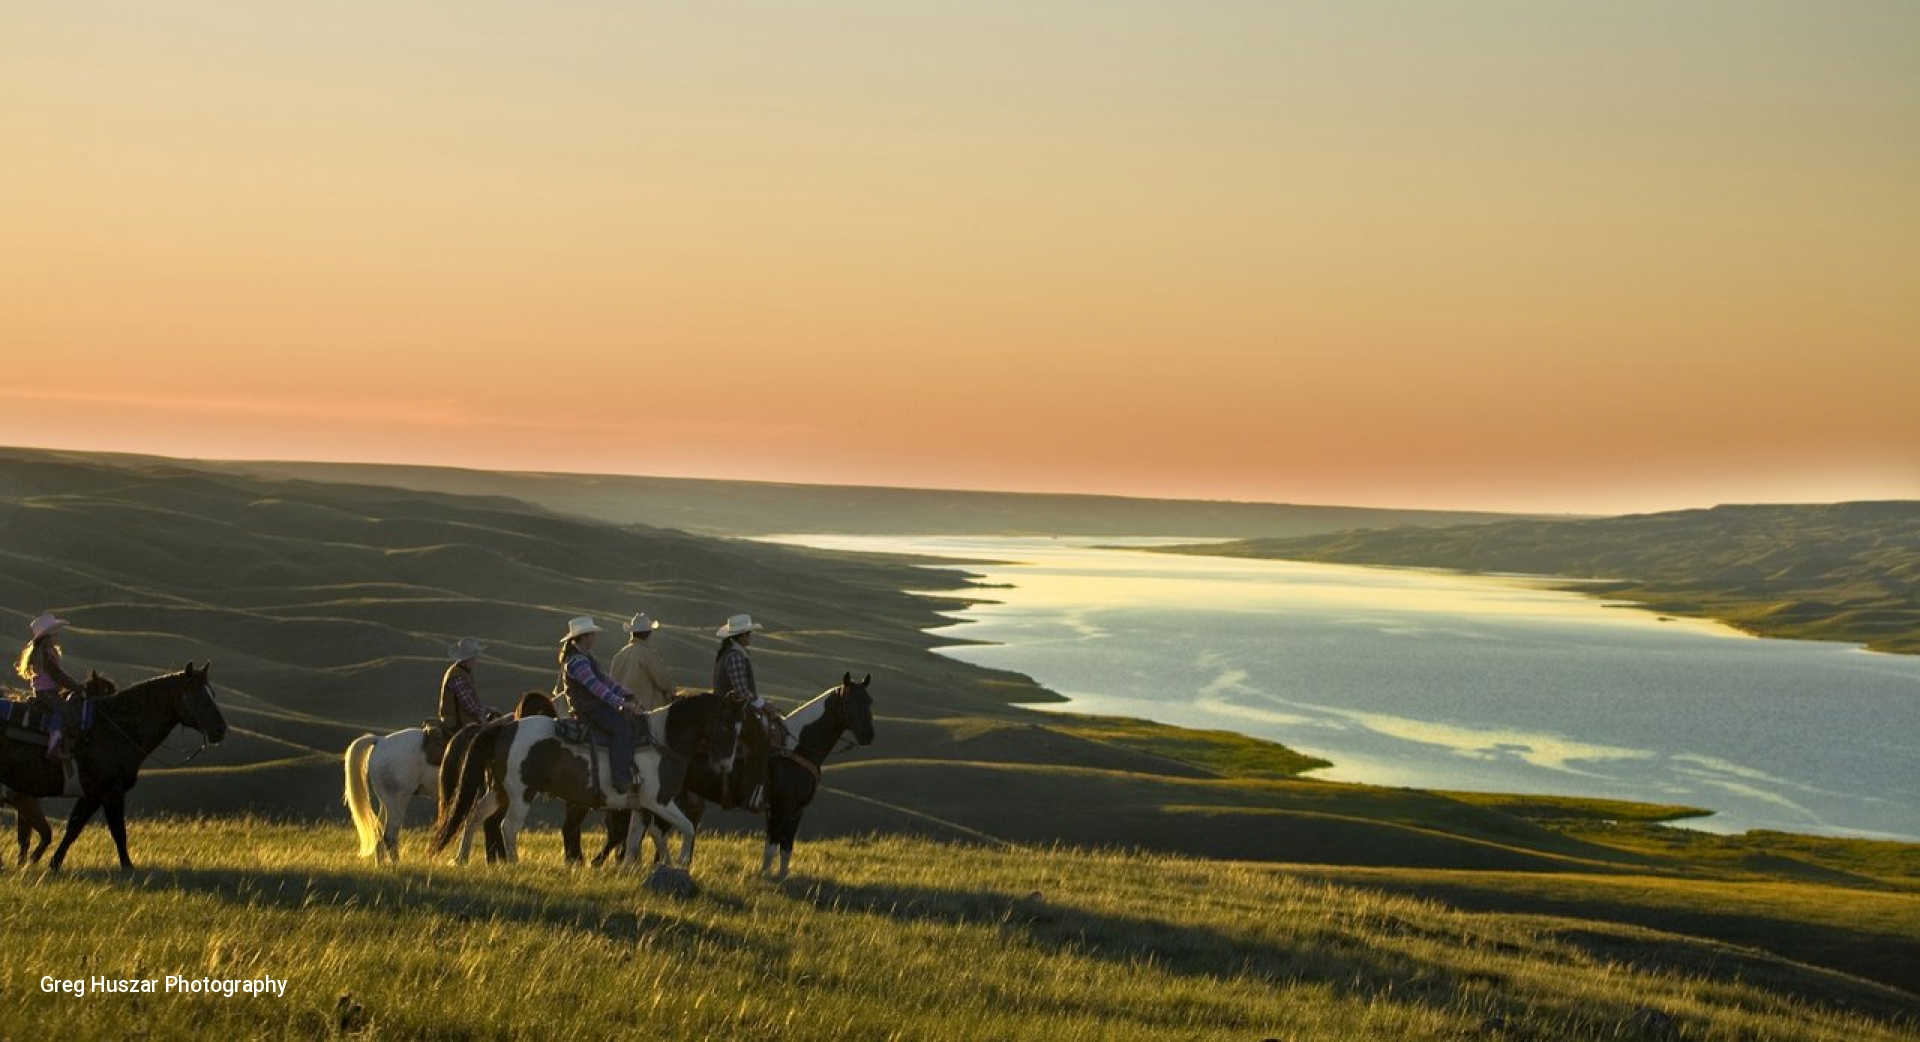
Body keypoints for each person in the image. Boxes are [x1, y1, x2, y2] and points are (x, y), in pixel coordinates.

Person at [556, 616, 642, 795]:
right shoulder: (578, 661)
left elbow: (605, 680)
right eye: (593, 634)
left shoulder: (584, 657)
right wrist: (623, 703)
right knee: (622, 727)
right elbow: (596, 687)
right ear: (584, 637)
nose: (595, 637)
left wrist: (626, 693)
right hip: (589, 708)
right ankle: (620, 778)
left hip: (592, 706)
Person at [713, 613, 787, 811]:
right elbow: (741, 691)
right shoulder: (736, 657)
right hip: (733, 711)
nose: (751, 637)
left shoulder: (730, 653)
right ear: (741, 636)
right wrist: (764, 704)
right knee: (760, 742)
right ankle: (750, 793)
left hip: (730, 708)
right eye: (749, 634)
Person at [16, 612, 83, 760]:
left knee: (63, 708)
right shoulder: (46, 656)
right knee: (64, 712)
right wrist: (77, 688)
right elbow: (58, 676)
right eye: (55, 633)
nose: (57, 635)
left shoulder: (50, 653)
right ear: (48, 637)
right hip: (46, 693)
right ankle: (54, 741)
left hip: (49, 691)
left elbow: (60, 675)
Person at [609, 613, 676, 713]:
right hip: (649, 713)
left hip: (623, 712)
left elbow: (612, 684)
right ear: (647, 634)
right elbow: (664, 682)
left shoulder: (619, 656)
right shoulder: (649, 655)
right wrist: (673, 693)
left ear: (632, 633)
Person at [438, 637, 500, 732]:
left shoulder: (461, 672)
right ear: (469, 659)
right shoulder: (458, 676)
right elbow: (470, 706)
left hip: (464, 721)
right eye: (474, 657)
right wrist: (489, 710)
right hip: (457, 723)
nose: (476, 660)